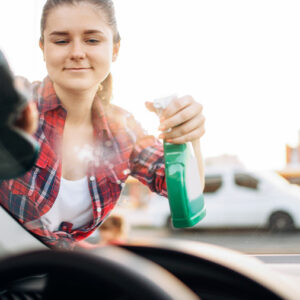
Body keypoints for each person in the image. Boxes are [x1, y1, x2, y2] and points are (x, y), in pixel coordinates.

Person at [0, 0, 205, 249]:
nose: (76, 52)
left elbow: (184, 194)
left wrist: (189, 137)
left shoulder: (125, 131)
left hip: (55, 279)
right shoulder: (14, 109)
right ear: (43, 48)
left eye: (92, 40)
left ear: (115, 49)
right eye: (61, 41)